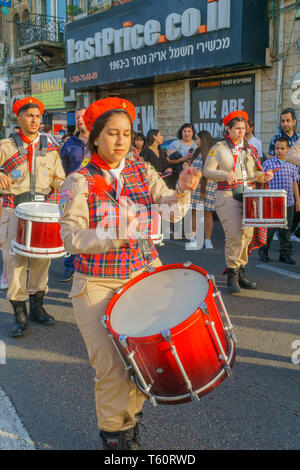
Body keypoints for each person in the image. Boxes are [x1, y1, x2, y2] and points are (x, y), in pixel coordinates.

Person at [59, 97, 200, 450]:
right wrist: (112, 233)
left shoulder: (141, 170)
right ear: (95, 138)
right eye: (112, 133)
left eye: (126, 133)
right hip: (97, 284)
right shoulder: (79, 181)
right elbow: (71, 238)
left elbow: (169, 212)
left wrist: (181, 191)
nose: (120, 141)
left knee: (143, 364)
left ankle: (130, 424)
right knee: (112, 371)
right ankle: (115, 440)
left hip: (143, 276)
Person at [0, 97, 65, 337]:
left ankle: (37, 307)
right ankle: (19, 314)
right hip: (13, 210)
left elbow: (59, 178)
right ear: (19, 118)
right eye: (29, 115)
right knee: (15, 262)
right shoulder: (6, 146)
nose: (34, 120)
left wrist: (64, 187)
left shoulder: (50, 146)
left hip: (42, 212)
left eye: (37, 116)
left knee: (41, 260)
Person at [203, 110, 273, 294]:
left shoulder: (250, 148)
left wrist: (263, 176)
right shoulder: (218, 148)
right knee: (234, 234)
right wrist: (225, 174)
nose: (240, 132)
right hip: (226, 195)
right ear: (228, 129)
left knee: (247, 235)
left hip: (248, 196)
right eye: (237, 128)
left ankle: (241, 271)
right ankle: (232, 273)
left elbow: (254, 173)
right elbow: (207, 172)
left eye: (243, 128)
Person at [59, 108, 90, 282]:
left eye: (83, 116)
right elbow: (62, 167)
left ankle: (90, 267)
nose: (79, 119)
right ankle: (70, 267)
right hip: (73, 195)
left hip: (96, 193)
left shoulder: (100, 139)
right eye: (77, 117)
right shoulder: (69, 143)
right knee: (73, 230)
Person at [258, 137, 300, 265]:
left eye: (282, 148)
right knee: (270, 228)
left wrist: (298, 200)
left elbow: (294, 183)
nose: (279, 151)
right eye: (277, 148)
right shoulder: (268, 164)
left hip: (289, 202)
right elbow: (261, 180)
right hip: (272, 201)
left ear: (288, 149)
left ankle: (285, 253)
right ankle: (264, 250)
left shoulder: (292, 164)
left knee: (286, 229)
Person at [186, 130, 216, 250]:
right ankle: (193, 238)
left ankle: (207, 240)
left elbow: (215, 171)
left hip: (208, 187)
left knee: (208, 213)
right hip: (195, 188)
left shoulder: (212, 153)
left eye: (197, 139)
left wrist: (201, 173)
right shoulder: (196, 152)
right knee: (194, 212)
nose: (195, 141)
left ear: (203, 140)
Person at [167, 123, 197, 189]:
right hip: (179, 174)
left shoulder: (196, 144)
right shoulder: (176, 144)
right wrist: (182, 159)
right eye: (184, 131)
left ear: (193, 133)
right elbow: (168, 161)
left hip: (194, 175)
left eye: (189, 131)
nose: (187, 133)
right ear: (181, 133)